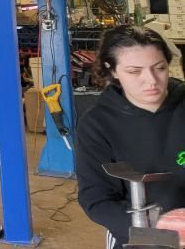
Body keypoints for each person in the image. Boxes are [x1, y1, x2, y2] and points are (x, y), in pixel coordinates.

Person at [75, 25, 185, 248]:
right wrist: (158, 231)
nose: (151, 80)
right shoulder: (97, 124)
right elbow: (96, 199)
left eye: (160, 68)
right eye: (134, 71)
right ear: (112, 70)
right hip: (136, 235)